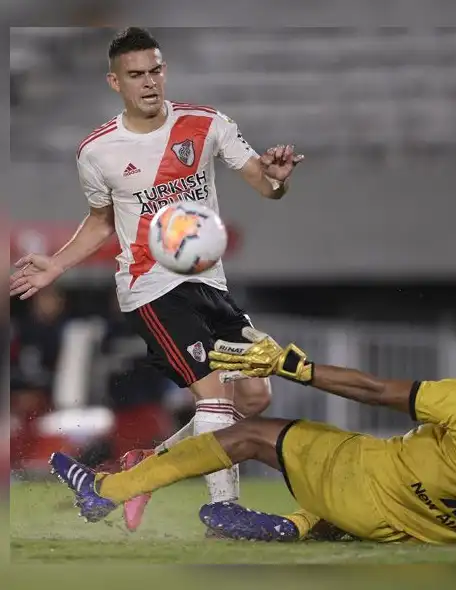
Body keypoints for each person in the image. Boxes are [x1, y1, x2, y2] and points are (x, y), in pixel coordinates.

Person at [9, 27, 304, 534]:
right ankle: (223, 512)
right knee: (212, 397)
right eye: (135, 75)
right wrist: (56, 265)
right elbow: (101, 220)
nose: (149, 83)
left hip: (209, 285)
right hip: (151, 289)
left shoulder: (208, 124)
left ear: (164, 71)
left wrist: (277, 178)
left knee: (253, 399)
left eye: (155, 71)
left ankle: (142, 469)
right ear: (114, 82)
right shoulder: (97, 152)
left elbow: (264, 183)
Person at [50, 329, 456, 545]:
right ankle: (295, 527)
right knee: (403, 481)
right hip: (431, 534)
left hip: (368, 487)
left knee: (249, 435)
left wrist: (296, 367)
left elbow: (372, 389)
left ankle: (108, 491)